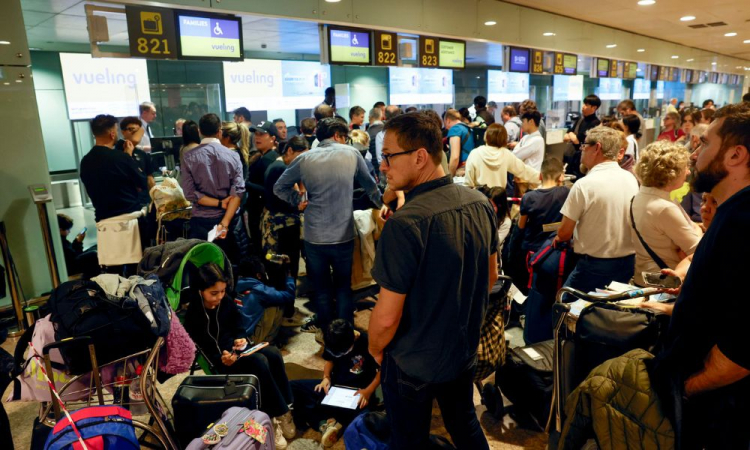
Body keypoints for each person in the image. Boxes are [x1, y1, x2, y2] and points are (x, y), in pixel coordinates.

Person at [369, 112, 497, 450]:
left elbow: (386, 317)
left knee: (408, 439)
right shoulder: (480, 203)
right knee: (464, 422)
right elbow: (491, 277)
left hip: (412, 359)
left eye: (388, 156)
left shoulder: (404, 223)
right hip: (462, 348)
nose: (383, 166)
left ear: (420, 156)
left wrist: (374, 349)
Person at [652, 102, 750, 449]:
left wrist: (687, 388)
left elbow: (742, 350)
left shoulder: (743, 223)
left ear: (735, 155)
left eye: (705, 143)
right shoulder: (731, 214)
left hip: (721, 411)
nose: (694, 153)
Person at [274, 117, 383, 334]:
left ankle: (327, 336)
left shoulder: (304, 158)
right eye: (344, 138)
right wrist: (384, 206)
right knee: (343, 288)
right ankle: (345, 336)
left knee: (322, 290)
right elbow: (371, 187)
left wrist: (299, 201)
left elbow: (279, 187)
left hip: (314, 235)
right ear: (337, 135)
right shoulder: (351, 154)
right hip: (343, 233)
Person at [182, 263, 295, 450]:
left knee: (273, 353)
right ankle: (276, 414)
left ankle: (286, 410)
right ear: (200, 291)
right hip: (221, 359)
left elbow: (238, 326)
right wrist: (221, 358)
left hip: (237, 349)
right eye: (214, 293)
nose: (219, 297)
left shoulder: (225, 301)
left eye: (222, 291)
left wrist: (240, 338)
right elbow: (204, 350)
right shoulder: (194, 314)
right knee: (260, 362)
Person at [555, 126, 639, 293]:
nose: (582, 150)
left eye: (584, 145)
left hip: (595, 265)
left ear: (597, 148)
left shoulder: (584, 185)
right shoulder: (630, 178)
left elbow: (564, 233)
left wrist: (558, 236)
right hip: (628, 261)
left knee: (564, 307)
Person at [291, 319, 380, 448]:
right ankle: (327, 423)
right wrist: (326, 378)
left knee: (365, 420)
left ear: (353, 339)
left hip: (359, 392)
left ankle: (330, 421)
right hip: (335, 388)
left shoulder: (369, 343)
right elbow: (329, 362)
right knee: (294, 387)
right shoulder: (333, 339)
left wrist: (368, 391)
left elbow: (382, 370)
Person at [630, 140, 700, 287]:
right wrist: (698, 230)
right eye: (684, 167)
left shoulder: (640, 197)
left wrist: (695, 229)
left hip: (644, 278)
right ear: (670, 172)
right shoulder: (664, 208)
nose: (688, 172)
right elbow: (699, 250)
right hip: (664, 284)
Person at [181, 113, 245, 262]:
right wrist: (225, 223)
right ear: (219, 131)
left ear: (199, 131)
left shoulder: (189, 157)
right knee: (230, 266)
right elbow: (238, 192)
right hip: (229, 220)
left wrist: (218, 203)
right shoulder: (233, 156)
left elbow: (189, 194)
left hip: (201, 222)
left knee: (204, 267)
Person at [80, 115, 148, 224]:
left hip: (103, 220)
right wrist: (129, 157)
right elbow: (142, 183)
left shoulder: (85, 161)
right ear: (112, 134)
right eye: (116, 131)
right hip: (129, 219)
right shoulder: (121, 157)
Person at [263, 135, 309, 281]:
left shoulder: (278, 165)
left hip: (280, 224)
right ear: (289, 150)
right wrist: (299, 204)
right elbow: (285, 200)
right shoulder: (281, 168)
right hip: (283, 225)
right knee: (287, 266)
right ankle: (286, 302)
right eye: (300, 156)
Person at [235, 256, 296, 344]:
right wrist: (289, 275)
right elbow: (289, 296)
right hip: (247, 339)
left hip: (236, 336)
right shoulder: (260, 290)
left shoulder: (235, 284)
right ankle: (267, 341)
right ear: (258, 275)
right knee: (277, 304)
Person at [518, 157, 570, 254]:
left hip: (533, 249)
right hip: (557, 249)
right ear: (561, 177)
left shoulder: (529, 197)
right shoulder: (566, 193)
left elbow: (521, 226)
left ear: (540, 176)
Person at [465, 123, 539, 188]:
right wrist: (541, 177)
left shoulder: (475, 153)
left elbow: (468, 182)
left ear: (486, 136)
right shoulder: (506, 154)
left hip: (479, 199)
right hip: (499, 199)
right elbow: (523, 170)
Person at [116, 117, 156, 206]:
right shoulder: (117, 152)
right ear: (123, 132)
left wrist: (156, 198)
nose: (135, 134)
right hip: (127, 201)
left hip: (145, 200)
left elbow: (150, 178)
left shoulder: (142, 154)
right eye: (131, 130)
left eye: (138, 131)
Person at [564, 94, 602, 179]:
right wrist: (572, 136)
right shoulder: (580, 119)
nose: (583, 107)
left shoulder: (595, 123)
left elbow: (577, 140)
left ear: (594, 108)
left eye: (586, 105)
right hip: (571, 157)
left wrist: (573, 136)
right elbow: (566, 136)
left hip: (582, 159)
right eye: (583, 104)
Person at [57, 214, 98, 278]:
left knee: (96, 247)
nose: (69, 231)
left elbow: (73, 253)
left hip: (73, 261)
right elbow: (76, 256)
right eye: (68, 229)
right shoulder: (61, 243)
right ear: (60, 230)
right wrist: (78, 242)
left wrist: (77, 241)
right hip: (72, 268)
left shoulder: (62, 240)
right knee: (93, 254)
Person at [444, 108, 475, 176]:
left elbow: (455, 157)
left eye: (445, 123)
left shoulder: (455, 129)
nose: (446, 128)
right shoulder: (466, 127)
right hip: (471, 166)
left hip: (462, 168)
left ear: (448, 120)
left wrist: (450, 176)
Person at [374, 106, 402, 170]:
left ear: (384, 117)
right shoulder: (405, 133)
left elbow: (380, 159)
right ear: (400, 115)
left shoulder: (380, 135)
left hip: (387, 169)